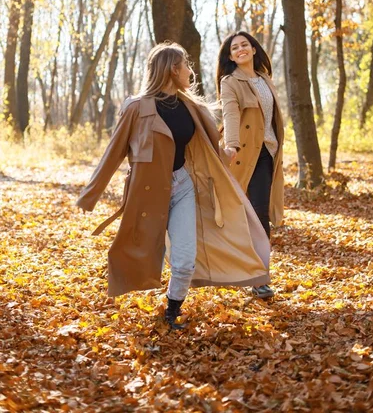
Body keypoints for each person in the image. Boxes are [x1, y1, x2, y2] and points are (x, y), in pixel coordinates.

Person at [77, 42, 271, 329]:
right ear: (172, 69)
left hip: (182, 185)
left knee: (184, 260)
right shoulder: (136, 107)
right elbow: (113, 152)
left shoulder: (191, 106)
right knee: (140, 250)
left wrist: (229, 153)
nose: (190, 71)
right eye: (186, 65)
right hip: (147, 192)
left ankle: (172, 311)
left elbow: (207, 145)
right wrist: (90, 195)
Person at [216, 31, 284, 299]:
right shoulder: (230, 82)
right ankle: (257, 279)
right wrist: (231, 145)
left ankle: (257, 276)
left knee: (260, 215)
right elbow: (230, 113)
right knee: (252, 215)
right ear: (230, 56)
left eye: (245, 44)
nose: (241, 49)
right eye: (235, 47)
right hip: (245, 155)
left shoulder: (266, 79)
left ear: (254, 50)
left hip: (268, 153)